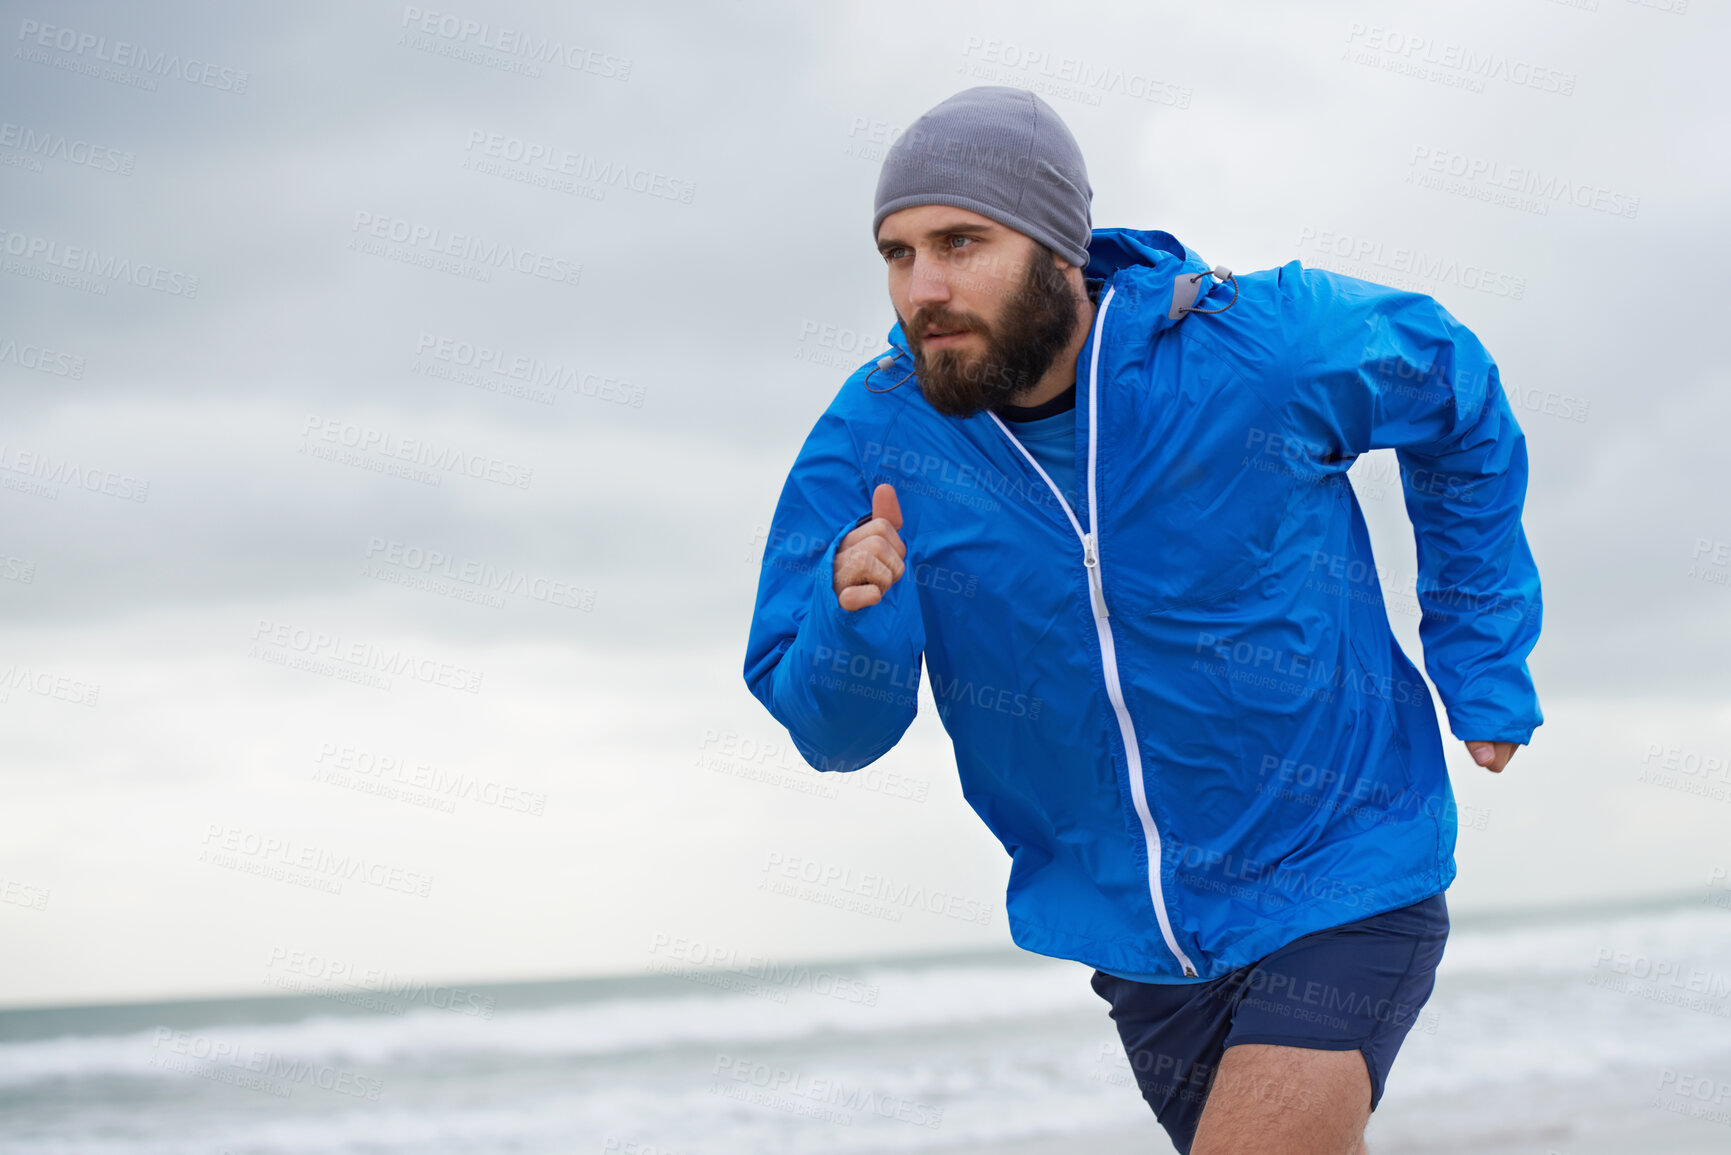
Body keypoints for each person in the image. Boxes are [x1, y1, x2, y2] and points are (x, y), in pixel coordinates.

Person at [742, 86, 1542, 1155]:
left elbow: (1458, 385)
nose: (921, 289)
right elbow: (836, 734)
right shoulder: (876, 433)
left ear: (1059, 248)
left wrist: (1480, 654)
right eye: (897, 253)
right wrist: (856, 628)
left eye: (961, 242)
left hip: (1341, 864)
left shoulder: (1258, 349)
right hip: (1141, 949)